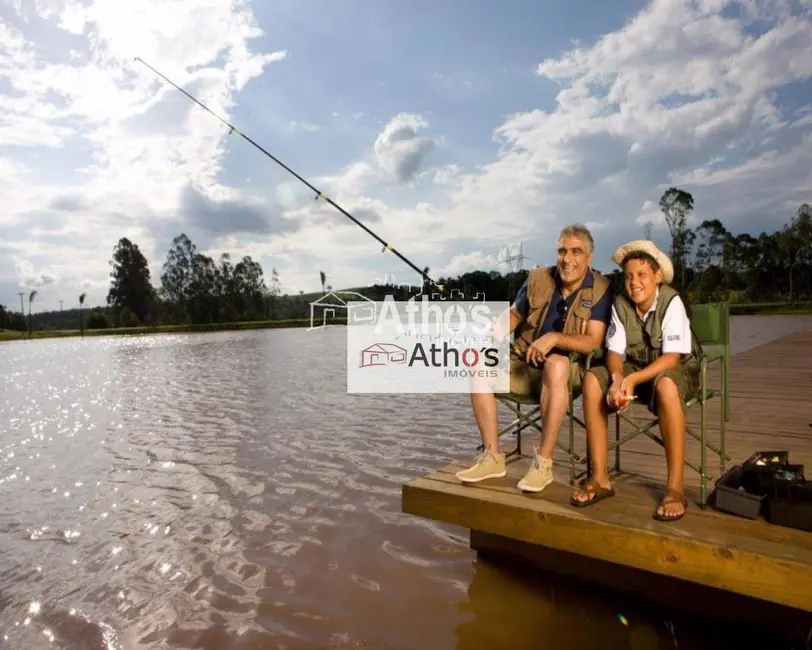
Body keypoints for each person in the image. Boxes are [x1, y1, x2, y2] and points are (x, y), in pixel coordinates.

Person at [456, 224, 613, 492]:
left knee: (557, 363)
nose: (567, 259)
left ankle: (543, 463)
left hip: (566, 372)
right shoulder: (538, 277)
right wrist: (492, 333)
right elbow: (515, 315)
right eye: (562, 250)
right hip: (523, 365)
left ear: (589, 257)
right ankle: (493, 456)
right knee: (478, 363)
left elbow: (594, 341)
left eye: (576, 251)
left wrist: (554, 339)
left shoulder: (601, 288)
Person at [570, 240, 701, 522]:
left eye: (642, 275)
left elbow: (672, 360)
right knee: (594, 379)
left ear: (657, 277)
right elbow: (615, 352)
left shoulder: (671, 301)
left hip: (674, 369)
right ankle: (600, 478)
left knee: (666, 385)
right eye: (629, 276)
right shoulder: (620, 303)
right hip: (635, 368)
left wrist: (632, 379)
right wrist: (618, 379)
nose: (634, 282)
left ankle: (675, 488)